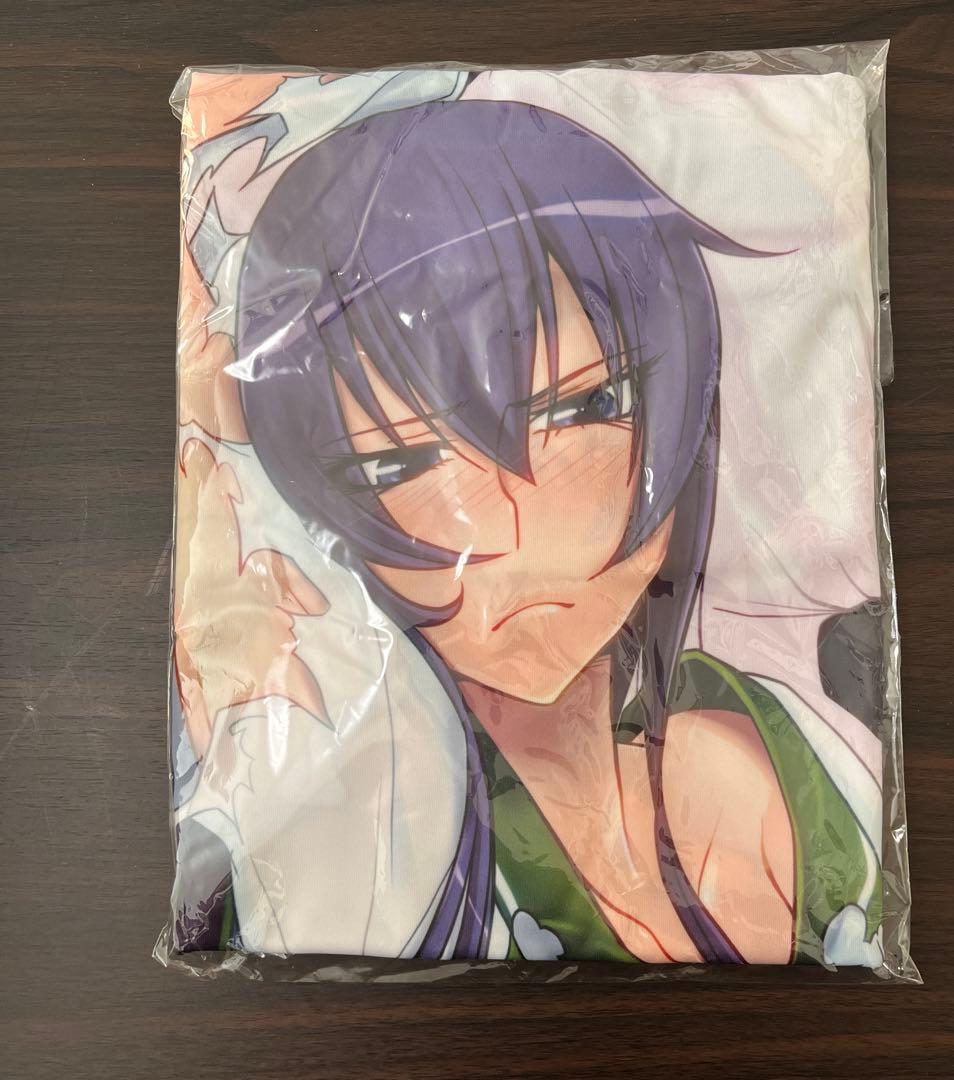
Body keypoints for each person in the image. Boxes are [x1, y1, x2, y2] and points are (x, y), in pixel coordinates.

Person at [191, 98, 881, 964]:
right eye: (398, 467)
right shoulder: (385, 840)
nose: (507, 528)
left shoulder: (781, 733)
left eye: (584, 409)